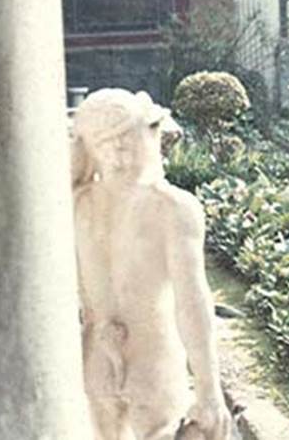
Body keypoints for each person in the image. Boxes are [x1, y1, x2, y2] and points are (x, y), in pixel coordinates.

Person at [71, 89, 231, 440]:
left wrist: (208, 388)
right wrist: (208, 390)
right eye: (108, 142)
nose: (119, 150)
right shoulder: (171, 208)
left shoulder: (76, 204)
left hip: (113, 357)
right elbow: (192, 303)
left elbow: (193, 302)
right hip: (139, 358)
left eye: (123, 139)